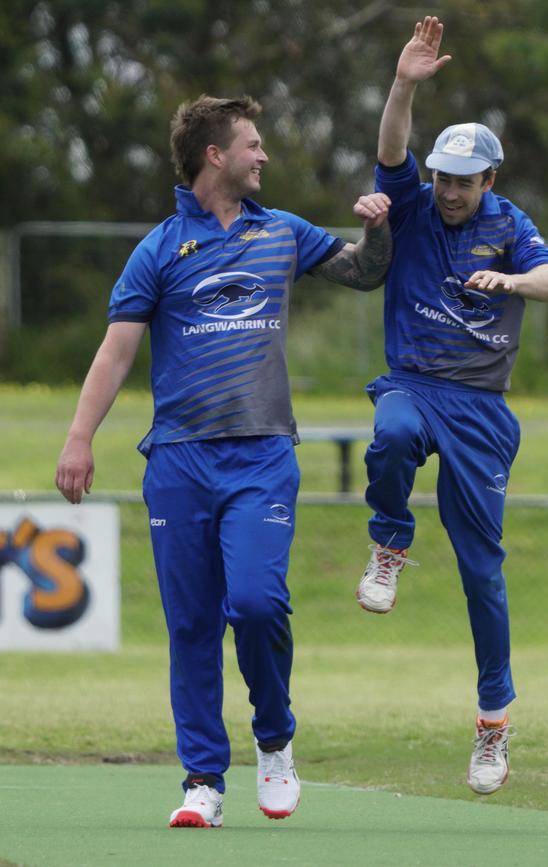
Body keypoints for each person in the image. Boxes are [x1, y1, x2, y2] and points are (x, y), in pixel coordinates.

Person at [55, 95, 392, 828]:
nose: (264, 155)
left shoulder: (285, 233)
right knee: (192, 624)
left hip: (263, 456)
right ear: (216, 155)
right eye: (253, 144)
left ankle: (275, 741)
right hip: (178, 460)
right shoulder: (159, 249)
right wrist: (80, 438)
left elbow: (366, 274)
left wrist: (380, 229)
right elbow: (116, 351)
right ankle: (202, 779)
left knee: (258, 602)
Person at [355, 16, 548, 796]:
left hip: (482, 407)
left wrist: (511, 281)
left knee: (483, 572)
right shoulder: (409, 204)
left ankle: (492, 723)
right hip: (416, 382)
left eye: (462, 180)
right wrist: (404, 85)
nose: (448, 191)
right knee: (390, 437)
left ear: (488, 181)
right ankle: (390, 542)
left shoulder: (510, 226)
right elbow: (391, 147)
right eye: (442, 177)